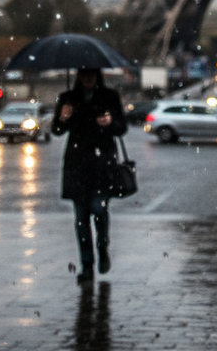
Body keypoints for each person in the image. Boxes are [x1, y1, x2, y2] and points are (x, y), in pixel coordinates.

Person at [52, 68, 127, 283]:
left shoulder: (109, 97)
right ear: (78, 76)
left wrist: (110, 123)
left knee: (99, 210)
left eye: (91, 74)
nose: (87, 78)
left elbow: (122, 128)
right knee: (81, 218)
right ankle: (87, 265)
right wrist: (63, 117)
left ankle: (102, 249)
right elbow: (57, 130)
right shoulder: (68, 98)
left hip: (101, 162)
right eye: (83, 74)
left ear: (97, 75)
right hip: (77, 163)